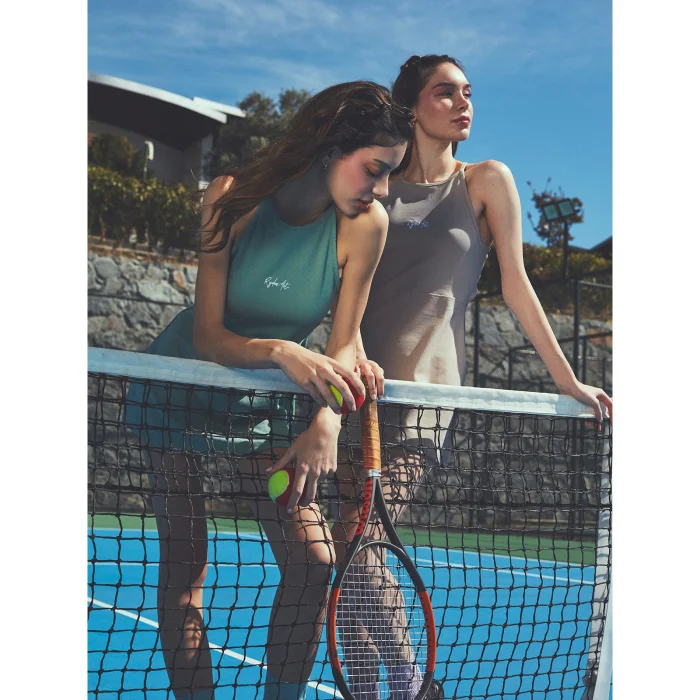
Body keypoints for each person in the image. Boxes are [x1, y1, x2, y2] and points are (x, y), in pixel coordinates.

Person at [334, 54, 614, 699]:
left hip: (428, 394)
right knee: (349, 555)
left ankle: (413, 684)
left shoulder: (485, 180)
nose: (463, 103)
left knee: (363, 536)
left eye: (467, 92)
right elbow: (343, 283)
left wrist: (567, 381)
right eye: (445, 92)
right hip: (354, 388)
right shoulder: (373, 183)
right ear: (411, 107)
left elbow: (517, 285)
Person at [125, 81, 413, 700]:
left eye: (390, 173)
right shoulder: (232, 197)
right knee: (185, 567)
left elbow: (344, 343)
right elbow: (208, 335)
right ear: (329, 145)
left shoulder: (368, 225)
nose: (384, 188)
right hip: (180, 389)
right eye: (375, 169)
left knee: (314, 563)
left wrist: (326, 423)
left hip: (266, 409)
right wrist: (283, 351)